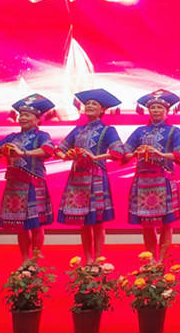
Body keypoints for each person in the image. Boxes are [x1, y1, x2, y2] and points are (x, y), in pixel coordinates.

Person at [0, 94, 56, 262]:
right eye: (21, 115)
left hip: (34, 183)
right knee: (21, 226)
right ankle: (25, 260)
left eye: (27, 115)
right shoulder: (12, 137)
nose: (23, 118)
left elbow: (49, 150)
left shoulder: (42, 136)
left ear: (38, 120)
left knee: (36, 225)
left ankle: (35, 261)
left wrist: (23, 153)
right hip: (15, 185)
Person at [56, 89, 124, 263]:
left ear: (102, 110)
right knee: (84, 223)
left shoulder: (108, 130)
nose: (90, 106)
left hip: (96, 176)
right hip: (77, 178)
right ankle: (87, 259)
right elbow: (59, 149)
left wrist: (95, 157)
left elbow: (118, 152)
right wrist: (67, 156)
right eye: (87, 104)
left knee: (98, 222)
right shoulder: (77, 130)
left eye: (94, 104)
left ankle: (99, 260)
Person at [122, 89, 180, 261]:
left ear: (166, 111)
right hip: (143, 180)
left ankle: (162, 261)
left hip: (163, 178)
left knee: (167, 223)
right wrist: (135, 153)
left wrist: (160, 154)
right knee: (146, 224)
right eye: (152, 107)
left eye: (159, 107)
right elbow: (124, 154)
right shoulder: (139, 131)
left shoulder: (173, 131)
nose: (156, 110)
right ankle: (151, 260)